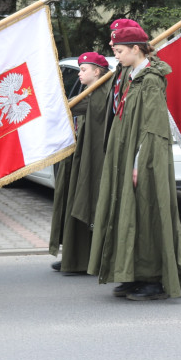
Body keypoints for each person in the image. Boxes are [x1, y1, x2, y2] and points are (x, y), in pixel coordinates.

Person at [88, 23, 181, 301]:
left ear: (135, 48)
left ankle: (153, 279)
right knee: (126, 214)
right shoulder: (127, 73)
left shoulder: (151, 80)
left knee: (146, 214)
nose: (115, 56)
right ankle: (132, 273)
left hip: (144, 157)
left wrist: (138, 163)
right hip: (123, 152)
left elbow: (153, 128)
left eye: (119, 51)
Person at [49, 52, 112, 274]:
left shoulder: (104, 92)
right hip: (80, 156)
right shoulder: (89, 91)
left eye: (83, 69)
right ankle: (76, 258)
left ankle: (94, 259)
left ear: (97, 71)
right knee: (75, 202)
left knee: (91, 204)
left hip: (96, 160)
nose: (79, 74)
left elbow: (79, 108)